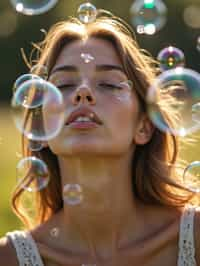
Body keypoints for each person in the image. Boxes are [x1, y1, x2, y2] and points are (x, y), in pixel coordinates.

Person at [0, 10, 200, 266]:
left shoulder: (194, 237)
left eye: (108, 84)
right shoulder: (9, 259)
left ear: (145, 126)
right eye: (63, 85)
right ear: (42, 129)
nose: (83, 92)